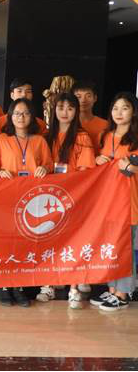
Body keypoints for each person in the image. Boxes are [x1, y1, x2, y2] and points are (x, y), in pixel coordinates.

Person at [0, 98, 53, 307]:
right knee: (6, 241)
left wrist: (44, 168)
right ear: (10, 116)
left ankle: (19, 287)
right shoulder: (0, 140)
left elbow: (49, 165)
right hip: (7, 198)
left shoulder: (40, 141)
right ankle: (4, 286)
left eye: (26, 113)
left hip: (32, 199)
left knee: (25, 242)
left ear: (32, 117)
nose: (21, 117)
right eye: (17, 113)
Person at [38, 93, 96, 309]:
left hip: (74, 197)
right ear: (53, 110)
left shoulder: (82, 137)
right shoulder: (45, 136)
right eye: (60, 107)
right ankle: (48, 285)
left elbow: (85, 170)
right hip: (49, 198)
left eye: (70, 108)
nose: (65, 112)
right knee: (49, 241)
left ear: (76, 111)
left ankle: (73, 288)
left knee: (74, 242)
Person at [91, 92, 138, 312]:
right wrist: (97, 160)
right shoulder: (106, 135)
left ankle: (123, 294)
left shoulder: (136, 137)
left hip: (130, 201)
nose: (119, 112)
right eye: (115, 108)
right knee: (112, 247)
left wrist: (129, 167)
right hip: (109, 201)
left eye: (125, 108)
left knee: (126, 249)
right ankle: (112, 290)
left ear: (134, 111)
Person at [0, 78, 47, 144]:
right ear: (12, 95)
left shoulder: (41, 125)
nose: (24, 95)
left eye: (28, 91)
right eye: (19, 91)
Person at [72, 81, 108, 155]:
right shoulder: (67, 124)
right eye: (78, 97)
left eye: (88, 96)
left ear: (95, 98)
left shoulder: (105, 125)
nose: (83, 100)